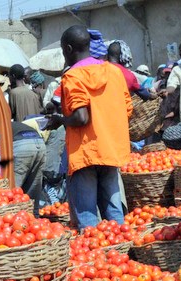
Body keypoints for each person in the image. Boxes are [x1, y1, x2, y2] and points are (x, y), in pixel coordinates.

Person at [46, 25, 132, 231]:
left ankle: (95, 259)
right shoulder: (114, 72)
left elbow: (80, 117)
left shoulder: (73, 77)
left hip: (85, 153)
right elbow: (127, 109)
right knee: (113, 212)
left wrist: (59, 120)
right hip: (110, 149)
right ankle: (120, 253)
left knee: (87, 216)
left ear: (67, 49)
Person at [12, 121, 46, 206]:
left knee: (12, 193)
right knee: (33, 189)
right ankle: (34, 216)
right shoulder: (11, 123)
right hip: (39, 141)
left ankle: (13, 215)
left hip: (21, 144)